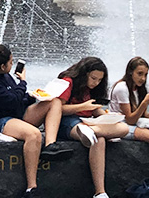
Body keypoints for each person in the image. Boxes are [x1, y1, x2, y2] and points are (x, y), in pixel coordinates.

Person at [0, 41, 68, 198]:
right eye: (11, 62)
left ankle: (51, 145)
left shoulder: (2, 74)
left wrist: (34, 96)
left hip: (16, 113)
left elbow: (16, 99)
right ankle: (31, 188)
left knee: (54, 102)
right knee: (34, 135)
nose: (12, 65)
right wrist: (23, 82)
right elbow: (12, 100)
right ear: (2, 66)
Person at [55, 56, 129, 198]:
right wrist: (83, 107)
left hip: (89, 123)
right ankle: (100, 191)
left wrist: (105, 116)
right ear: (84, 74)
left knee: (123, 129)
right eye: (93, 78)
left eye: (100, 80)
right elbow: (58, 109)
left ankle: (92, 130)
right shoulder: (69, 82)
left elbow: (94, 109)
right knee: (98, 139)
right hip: (68, 122)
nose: (96, 83)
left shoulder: (92, 89)